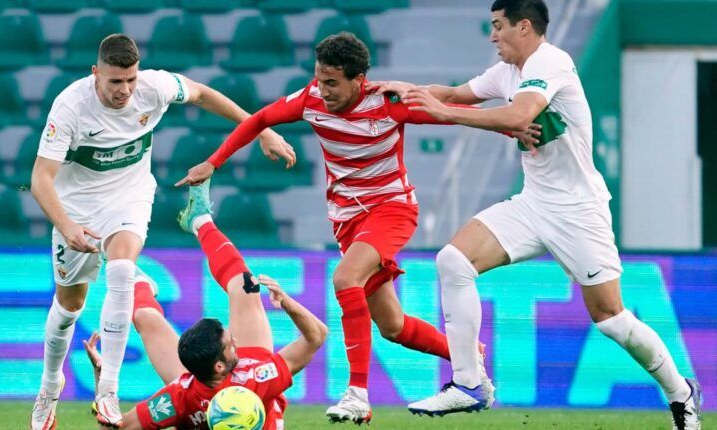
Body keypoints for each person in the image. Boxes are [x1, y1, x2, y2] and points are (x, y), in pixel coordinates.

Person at [368, 0, 703, 428]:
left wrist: (446, 114)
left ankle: (680, 392)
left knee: (611, 319)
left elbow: (518, 113)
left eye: (497, 26)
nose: (492, 36)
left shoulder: (551, 62)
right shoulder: (505, 71)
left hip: (578, 210)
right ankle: (469, 383)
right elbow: (451, 94)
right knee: (453, 260)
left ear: (523, 26)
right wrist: (398, 89)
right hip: (533, 203)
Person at [176, 32, 518, 425]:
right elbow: (260, 119)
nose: (323, 89)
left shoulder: (387, 104)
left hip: (391, 210)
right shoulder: (312, 99)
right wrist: (213, 163)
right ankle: (467, 355)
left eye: (332, 82)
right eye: (320, 79)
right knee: (392, 326)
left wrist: (510, 127)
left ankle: (357, 394)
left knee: (345, 278)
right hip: (348, 221)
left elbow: (447, 113)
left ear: (359, 80)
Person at [30, 33, 293, 429]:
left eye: (131, 80)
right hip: (77, 206)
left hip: (129, 195)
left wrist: (260, 129)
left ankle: (109, 391)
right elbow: (40, 179)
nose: (125, 90)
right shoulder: (70, 107)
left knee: (121, 268)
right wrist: (66, 227)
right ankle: (50, 385)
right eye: (115, 82)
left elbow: (203, 94)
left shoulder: (154, 86)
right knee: (69, 308)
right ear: (95, 73)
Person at [83, 180, 328, 429]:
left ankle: (195, 223)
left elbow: (115, 426)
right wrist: (287, 304)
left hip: (205, 384)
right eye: (229, 343)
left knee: (152, 315)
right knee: (246, 287)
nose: (235, 340)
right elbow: (316, 336)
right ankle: (133, 272)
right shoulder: (256, 377)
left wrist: (103, 378)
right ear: (220, 365)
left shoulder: (180, 397)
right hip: (224, 379)